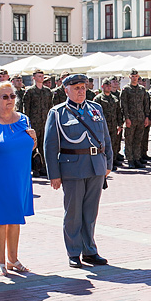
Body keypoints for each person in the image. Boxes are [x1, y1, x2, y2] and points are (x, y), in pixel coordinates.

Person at [43, 74, 111, 269]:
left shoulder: (96, 109)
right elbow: (50, 146)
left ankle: (89, 250)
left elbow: (105, 137)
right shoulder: (58, 113)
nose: (81, 91)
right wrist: (54, 174)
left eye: (83, 87)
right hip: (72, 166)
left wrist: (108, 163)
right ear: (66, 90)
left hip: (96, 165)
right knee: (73, 213)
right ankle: (74, 252)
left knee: (90, 212)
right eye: (76, 88)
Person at [0, 82, 36, 275]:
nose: (9, 100)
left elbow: (28, 147)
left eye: (12, 96)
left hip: (20, 175)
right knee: (0, 219)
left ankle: (13, 259)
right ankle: (0, 262)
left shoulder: (23, 119)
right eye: (4, 97)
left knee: (15, 218)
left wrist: (34, 139)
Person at [22, 69, 53, 176]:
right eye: (39, 76)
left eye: (42, 76)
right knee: (32, 146)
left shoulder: (48, 92)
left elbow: (50, 108)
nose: (41, 78)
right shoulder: (29, 92)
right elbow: (26, 109)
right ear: (34, 78)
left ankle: (44, 167)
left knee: (44, 146)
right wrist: (27, 125)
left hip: (45, 123)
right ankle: (33, 168)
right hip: (34, 124)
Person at [120, 70, 151, 168]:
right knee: (129, 140)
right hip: (131, 119)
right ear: (129, 77)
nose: (134, 78)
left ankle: (137, 159)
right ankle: (130, 159)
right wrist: (126, 118)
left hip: (141, 118)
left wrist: (146, 117)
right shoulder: (126, 89)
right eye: (133, 76)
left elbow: (146, 104)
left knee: (138, 140)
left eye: (136, 76)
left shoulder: (142, 90)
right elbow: (123, 105)